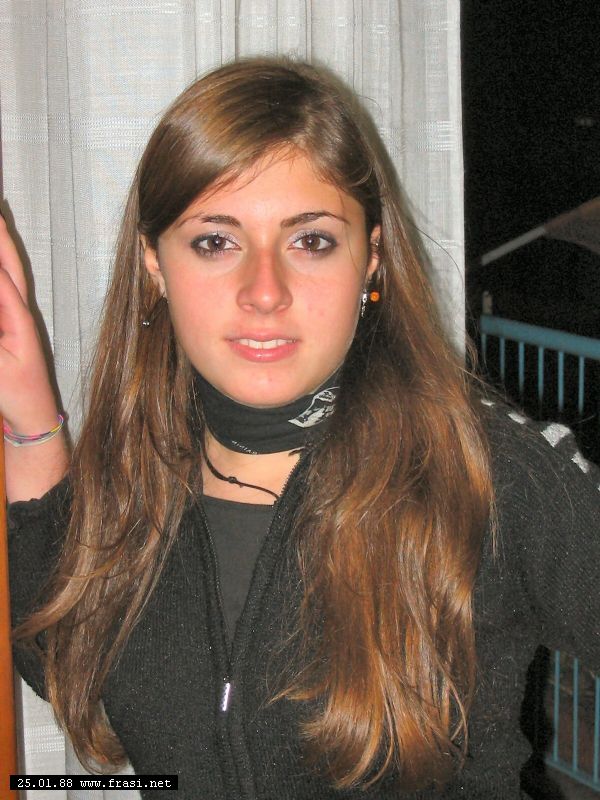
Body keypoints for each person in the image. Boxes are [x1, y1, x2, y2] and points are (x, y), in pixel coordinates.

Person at [1, 57, 599, 800]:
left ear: (371, 259)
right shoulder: (138, 473)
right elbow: (67, 659)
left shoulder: (479, 469)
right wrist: (31, 418)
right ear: (154, 264)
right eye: (216, 242)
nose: (264, 291)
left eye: (311, 241)